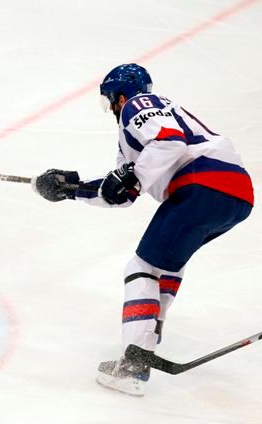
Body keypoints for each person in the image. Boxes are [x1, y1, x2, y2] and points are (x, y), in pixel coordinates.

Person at [31, 64, 254, 396]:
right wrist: (71, 189)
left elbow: (169, 142)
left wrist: (130, 178)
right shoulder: (142, 131)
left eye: (110, 101)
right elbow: (122, 192)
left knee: (142, 267)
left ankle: (134, 365)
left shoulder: (139, 104)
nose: (111, 108)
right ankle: (148, 338)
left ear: (119, 96)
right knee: (167, 265)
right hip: (237, 195)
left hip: (201, 186)